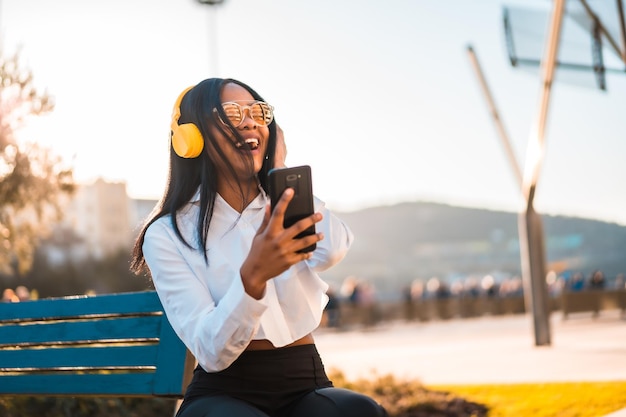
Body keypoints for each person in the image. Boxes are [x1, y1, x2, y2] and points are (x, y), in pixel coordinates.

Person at [130, 77, 387, 417]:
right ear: (192, 138)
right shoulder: (166, 234)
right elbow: (211, 350)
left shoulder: (282, 203)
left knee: (359, 412)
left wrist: (281, 172)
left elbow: (332, 249)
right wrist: (253, 277)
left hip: (305, 381)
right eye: (232, 113)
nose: (250, 121)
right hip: (224, 390)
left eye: (258, 112)